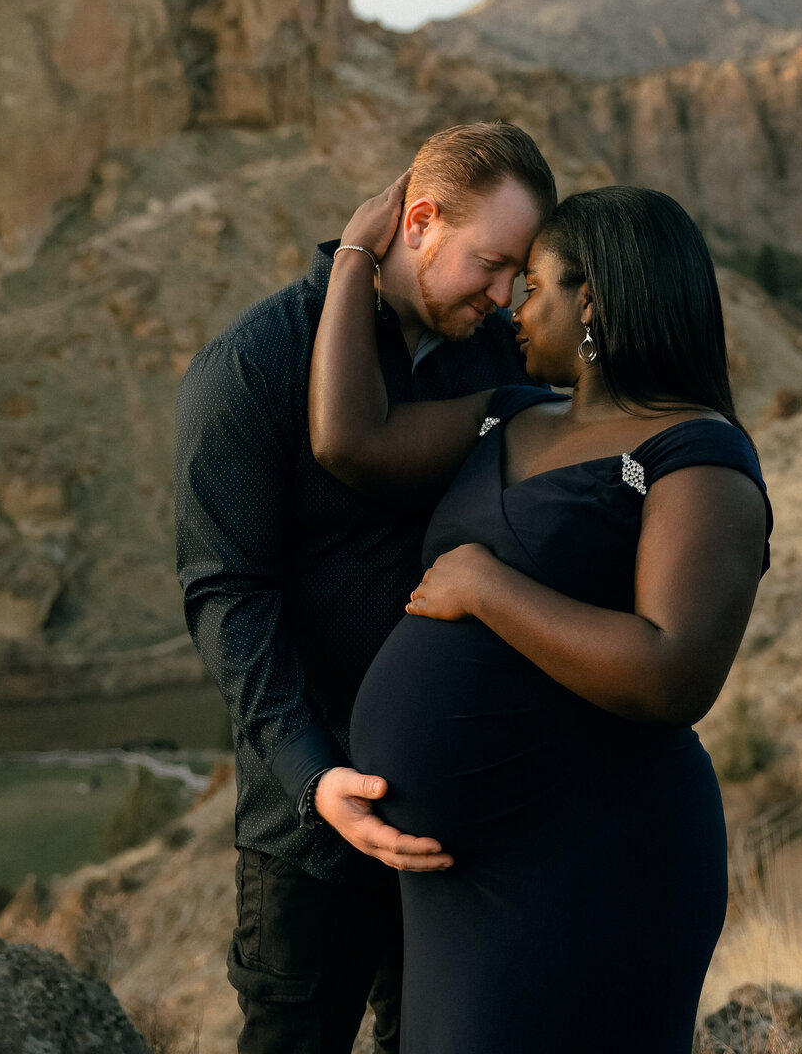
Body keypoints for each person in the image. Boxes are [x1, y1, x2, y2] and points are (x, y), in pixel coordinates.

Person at [309, 182, 772, 1054]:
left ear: (589, 297)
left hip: (593, 861)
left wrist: (488, 589)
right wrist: (354, 260)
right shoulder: (508, 415)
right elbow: (349, 441)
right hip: (459, 877)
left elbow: (673, 673)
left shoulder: (695, 454)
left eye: (536, 288)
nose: (512, 312)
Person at [174, 122, 557, 1054]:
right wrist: (315, 777)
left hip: (469, 815)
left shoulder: (500, 357)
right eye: (492, 264)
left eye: (522, 276)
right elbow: (228, 593)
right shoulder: (254, 366)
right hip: (311, 832)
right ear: (420, 221)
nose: (507, 297)